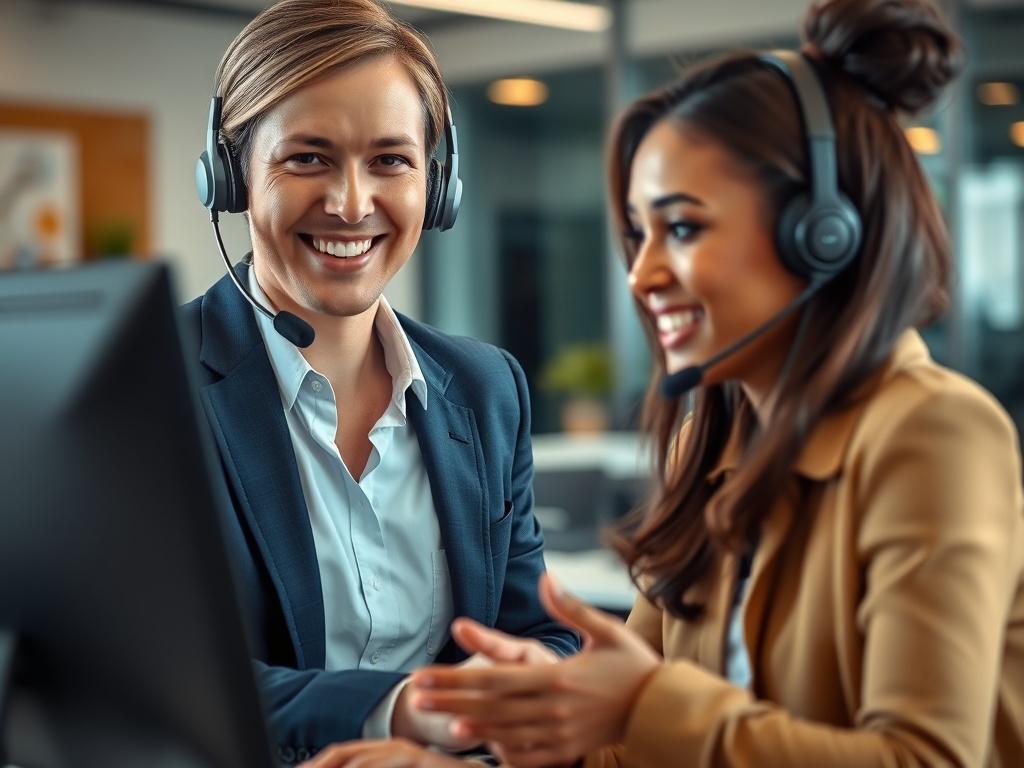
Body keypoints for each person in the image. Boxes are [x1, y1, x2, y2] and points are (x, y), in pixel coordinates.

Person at [298, 0, 1024, 766]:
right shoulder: (709, 446)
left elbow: (925, 758)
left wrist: (644, 701)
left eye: (681, 228)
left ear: (821, 235)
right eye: (638, 235)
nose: (641, 276)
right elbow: (625, 753)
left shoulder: (934, 433)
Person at [180, 0, 578, 762]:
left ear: (438, 184)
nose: (352, 203)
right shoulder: (149, 385)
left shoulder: (486, 388)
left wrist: (524, 694)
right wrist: (400, 711)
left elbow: (539, 634)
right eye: (308, 158)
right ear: (229, 175)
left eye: (390, 160)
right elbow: (153, 680)